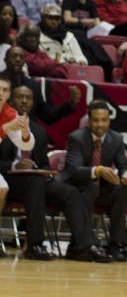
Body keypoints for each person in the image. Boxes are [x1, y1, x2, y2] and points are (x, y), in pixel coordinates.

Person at [1, 86, 109, 261]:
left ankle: (82, 247)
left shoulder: (38, 131)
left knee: (70, 192)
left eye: (28, 98)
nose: (24, 101)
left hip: (34, 180)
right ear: (11, 101)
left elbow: (43, 163)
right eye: (19, 97)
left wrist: (45, 172)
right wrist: (15, 164)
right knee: (34, 183)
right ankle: (35, 245)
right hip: (8, 180)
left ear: (32, 103)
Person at [63, 99, 127, 261]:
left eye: (104, 120)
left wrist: (126, 176)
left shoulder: (116, 138)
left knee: (123, 189)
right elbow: (74, 170)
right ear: (89, 121)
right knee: (90, 186)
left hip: (101, 189)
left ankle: (116, 244)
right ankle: (85, 245)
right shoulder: (76, 138)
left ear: (109, 120)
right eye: (96, 120)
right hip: (78, 187)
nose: (100, 124)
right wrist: (98, 170)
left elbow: (123, 165)